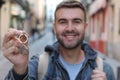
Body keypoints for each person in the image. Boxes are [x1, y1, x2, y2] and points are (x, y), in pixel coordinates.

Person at [2, 0, 115, 80]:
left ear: (85, 27)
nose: (70, 28)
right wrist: (19, 69)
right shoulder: (38, 66)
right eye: (63, 22)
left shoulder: (104, 70)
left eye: (76, 21)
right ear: (54, 28)